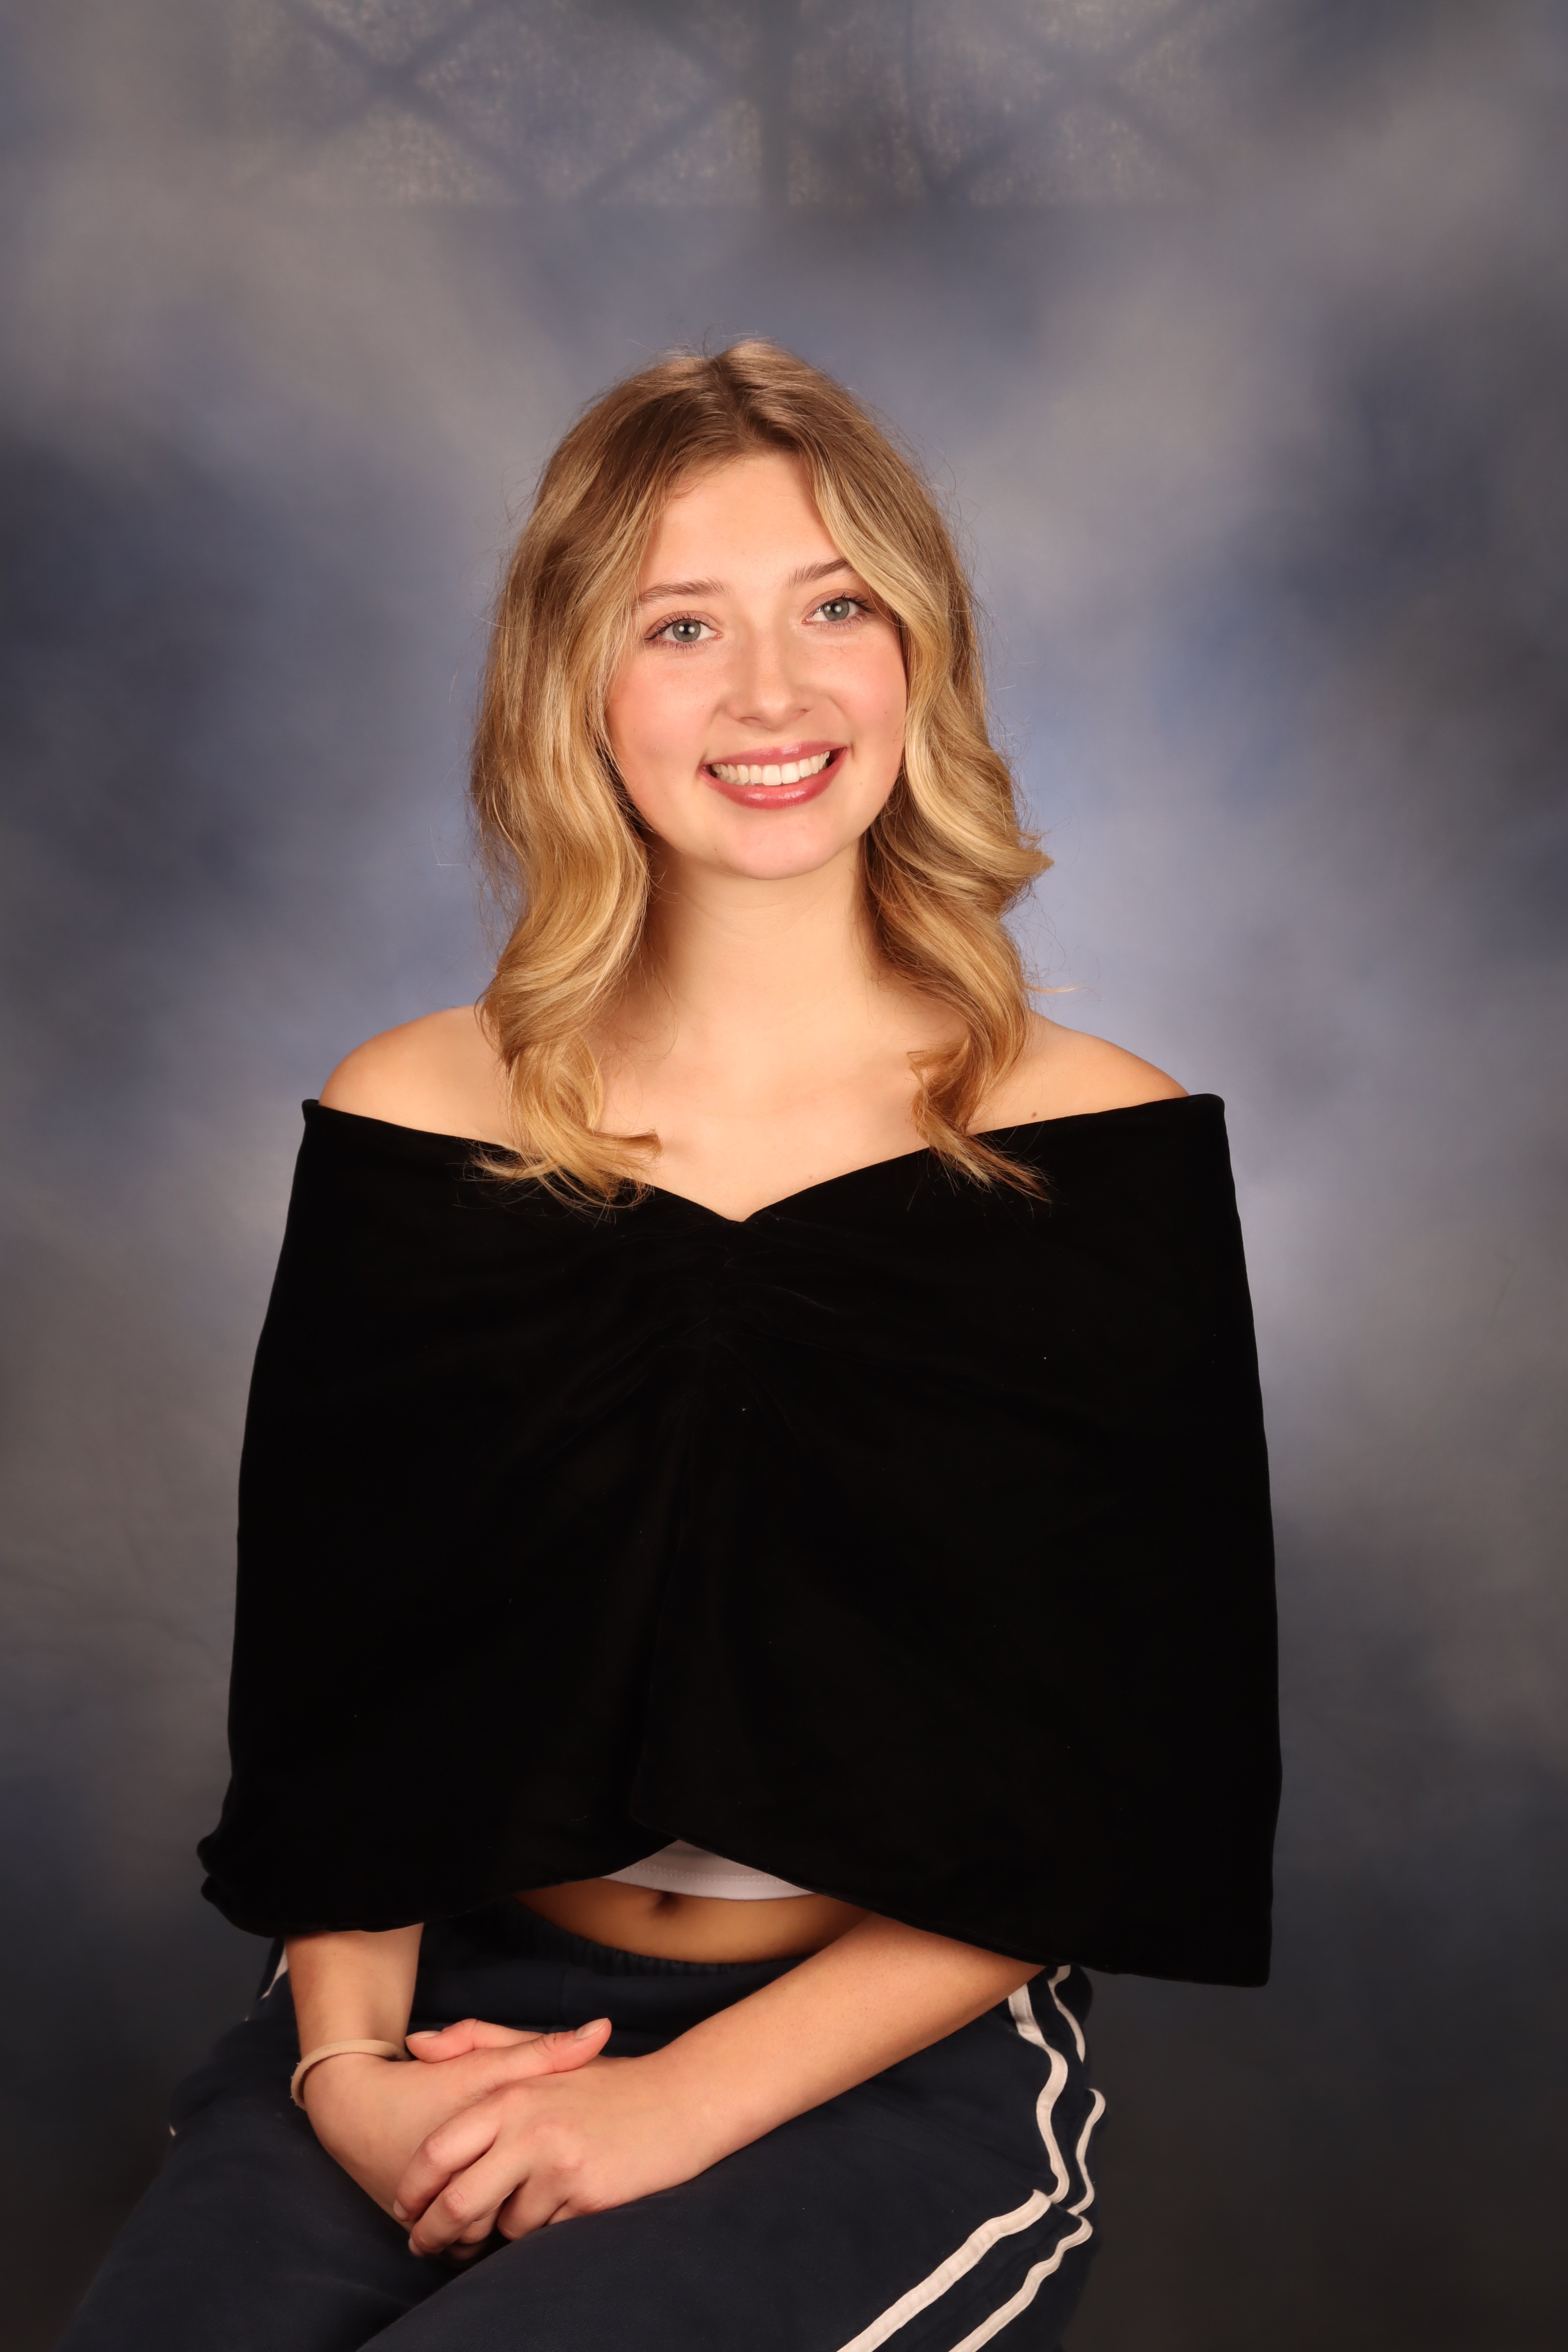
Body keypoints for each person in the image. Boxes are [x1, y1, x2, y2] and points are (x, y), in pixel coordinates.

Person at [61, 342, 1278, 2352]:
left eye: (835, 609)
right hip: (438, 2010)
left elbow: (1123, 1790)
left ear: (920, 656)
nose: (773, 693)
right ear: (575, 686)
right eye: (683, 625)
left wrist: (676, 2108)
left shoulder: (1095, 1146)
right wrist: (347, 2079)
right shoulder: (413, 1115)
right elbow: (340, 1714)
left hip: (875, 2058)